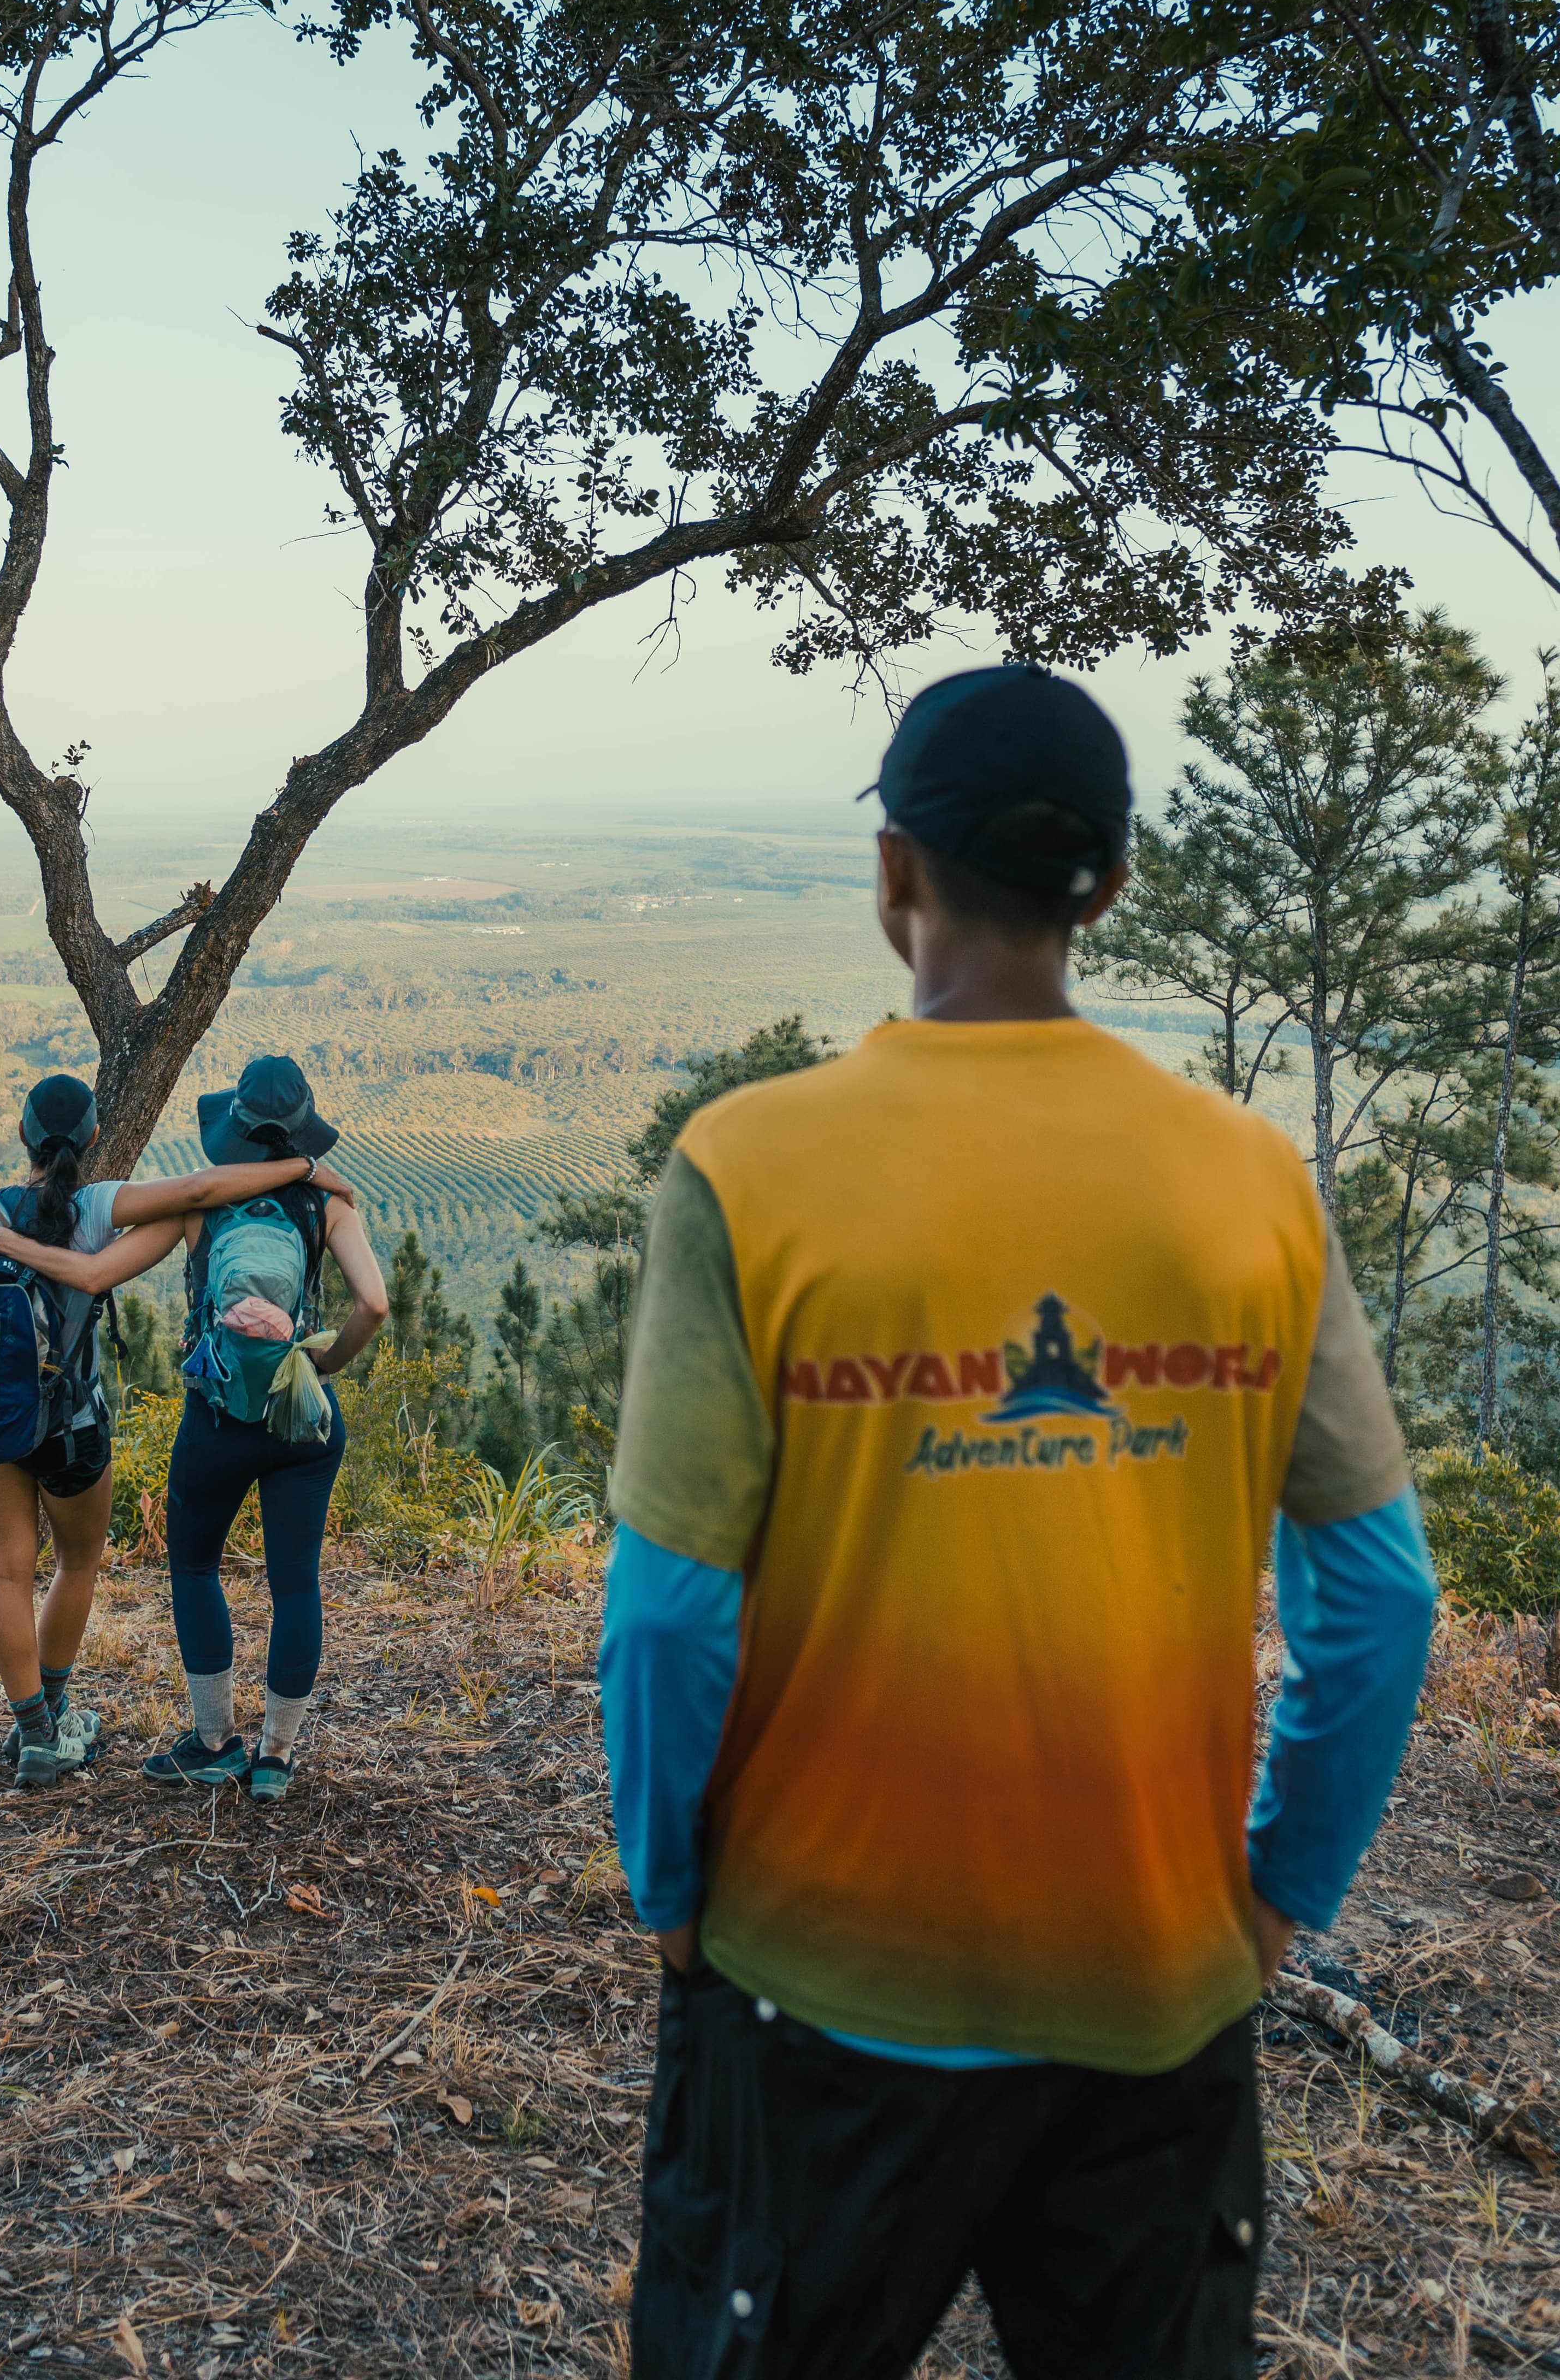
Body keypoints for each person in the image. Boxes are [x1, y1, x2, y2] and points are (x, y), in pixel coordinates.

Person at [599, 663, 1437, 2380]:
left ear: (894, 874)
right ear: (1108, 890)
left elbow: (672, 1617)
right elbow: (1379, 1598)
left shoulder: (751, 1169)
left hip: (817, 1988)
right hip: (1153, 1988)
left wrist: (668, 1884)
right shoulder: (1249, 1182)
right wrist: (1279, 1891)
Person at [0, 1054, 388, 1804]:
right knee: (296, 1584)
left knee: (191, 1571)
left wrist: (1, 1245)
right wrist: (323, 1368)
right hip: (301, 1420)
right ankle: (277, 1759)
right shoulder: (330, 1207)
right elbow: (375, 1306)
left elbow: (92, 1277)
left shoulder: (191, 1213)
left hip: (213, 1420)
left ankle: (211, 1743)